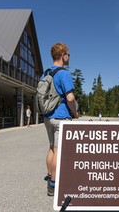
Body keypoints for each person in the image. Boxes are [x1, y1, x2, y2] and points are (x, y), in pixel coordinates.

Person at [42, 42, 79, 196]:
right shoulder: (64, 74)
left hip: (47, 116)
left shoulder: (45, 73)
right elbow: (70, 97)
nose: (69, 57)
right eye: (68, 54)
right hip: (61, 116)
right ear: (63, 55)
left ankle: (51, 175)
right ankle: (53, 183)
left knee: (51, 147)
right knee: (59, 150)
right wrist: (75, 112)